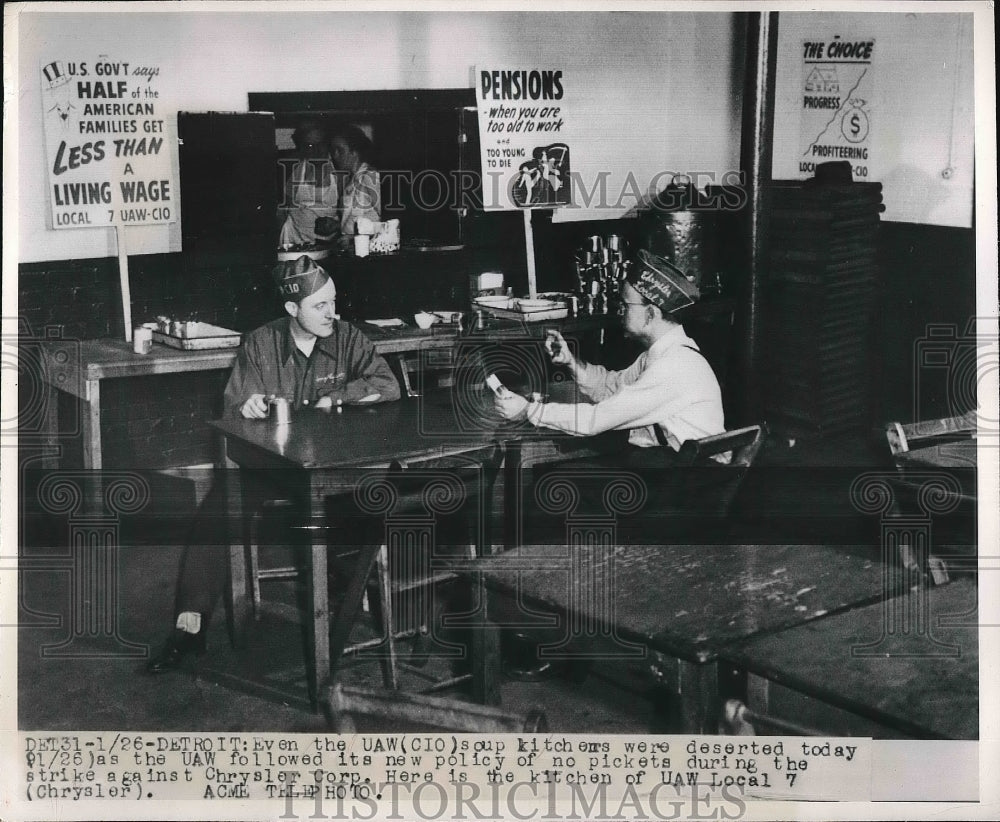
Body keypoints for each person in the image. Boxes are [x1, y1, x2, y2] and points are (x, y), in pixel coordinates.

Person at [146, 255, 400, 673]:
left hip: (334, 473)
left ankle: (345, 601)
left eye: (333, 302)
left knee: (370, 504)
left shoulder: (349, 338)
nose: (332, 313)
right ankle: (188, 629)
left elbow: (387, 386)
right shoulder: (260, 344)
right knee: (218, 511)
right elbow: (231, 409)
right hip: (275, 471)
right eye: (320, 306)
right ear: (291, 309)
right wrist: (246, 405)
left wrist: (338, 396)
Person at [494, 249, 725, 466]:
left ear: (651, 314)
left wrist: (529, 410)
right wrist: (572, 363)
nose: (620, 312)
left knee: (567, 485)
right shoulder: (662, 355)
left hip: (695, 480)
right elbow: (611, 388)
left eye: (626, 305)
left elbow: (596, 419)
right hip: (675, 467)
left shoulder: (675, 366)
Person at [278, 120, 339, 246]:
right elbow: (282, 210)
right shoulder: (292, 169)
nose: (316, 150)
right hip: (294, 240)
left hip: (329, 243)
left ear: (328, 144)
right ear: (302, 148)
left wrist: (336, 225)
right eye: (310, 146)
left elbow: (347, 214)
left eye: (320, 144)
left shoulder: (340, 170)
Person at [329, 124, 381, 238]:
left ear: (355, 152)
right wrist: (338, 225)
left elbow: (388, 221)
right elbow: (360, 218)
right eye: (333, 151)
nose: (335, 156)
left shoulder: (370, 177)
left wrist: (353, 237)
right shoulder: (352, 180)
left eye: (340, 150)